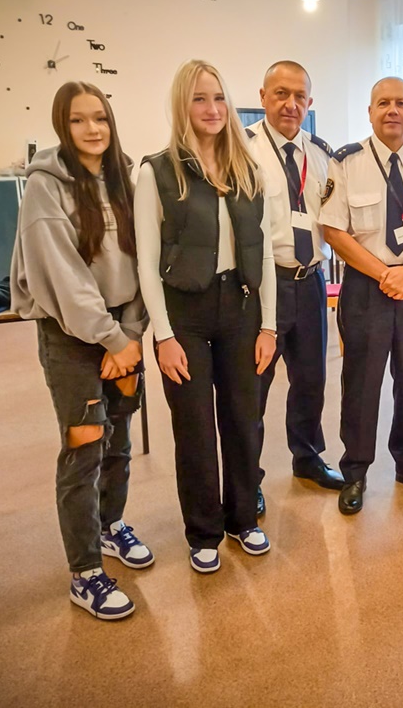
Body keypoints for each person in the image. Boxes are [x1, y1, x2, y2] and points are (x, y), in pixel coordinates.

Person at [11, 81, 151, 620]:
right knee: (85, 445)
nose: (92, 129)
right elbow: (64, 278)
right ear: (60, 126)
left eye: (100, 118)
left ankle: (112, 526)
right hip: (72, 335)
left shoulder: (125, 178)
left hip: (124, 331)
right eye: (77, 120)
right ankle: (85, 571)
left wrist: (132, 333)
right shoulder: (46, 186)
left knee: (118, 438)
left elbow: (144, 263)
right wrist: (113, 340)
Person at [135, 60, 277, 572]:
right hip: (185, 316)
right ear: (182, 105)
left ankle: (245, 520)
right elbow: (147, 263)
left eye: (218, 97)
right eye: (199, 98)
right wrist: (164, 335)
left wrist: (269, 326)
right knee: (194, 428)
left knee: (244, 419)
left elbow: (263, 255)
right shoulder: (156, 170)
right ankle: (203, 532)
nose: (212, 109)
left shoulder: (249, 169)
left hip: (241, 307)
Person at [319, 76, 403, 515]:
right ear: (370, 111)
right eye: (383, 103)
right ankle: (355, 471)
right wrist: (384, 272)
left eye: (401, 103)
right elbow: (333, 230)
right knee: (361, 381)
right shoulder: (345, 163)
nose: (392, 110)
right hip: (367, 285)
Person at [246, 61, 344, 514]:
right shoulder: (243, 150)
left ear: (309, 102)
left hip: (311, 283)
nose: (290, 103)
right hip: (263, 288)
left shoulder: (323, 155)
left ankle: (308, 458)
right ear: (263, 96)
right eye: (280, 93)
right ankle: (249, 476)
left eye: (299, 96)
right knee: (255, 386)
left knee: (311, 380)